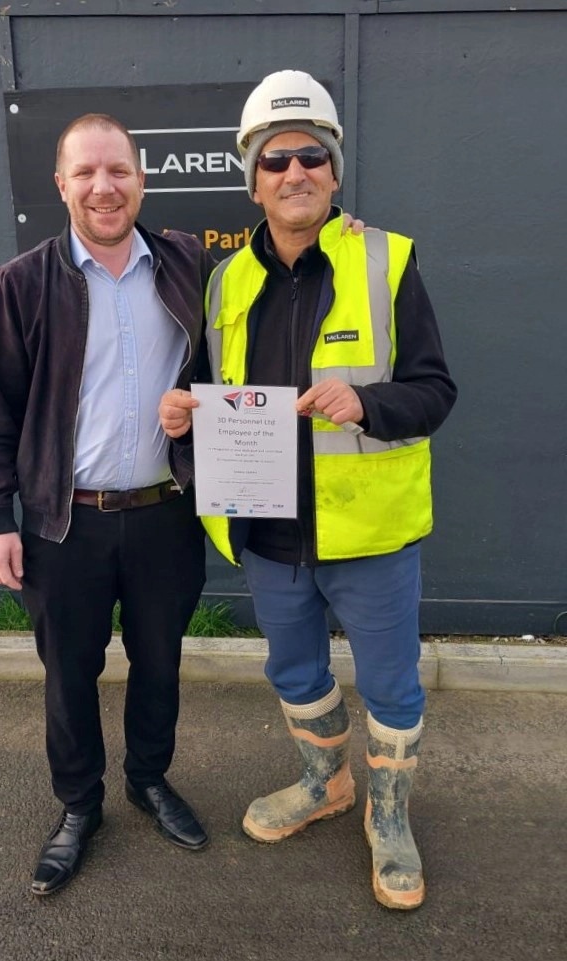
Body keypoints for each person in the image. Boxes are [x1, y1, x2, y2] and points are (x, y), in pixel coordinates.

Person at [159, 70, 457, 911]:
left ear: (333, 170)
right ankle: (324, 783)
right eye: (276, 159)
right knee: (293, 669)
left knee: (391, 685)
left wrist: (366, 401)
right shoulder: (225, 282)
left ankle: (391, 816)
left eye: (311, 156)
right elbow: (209, 384)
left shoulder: (387, 258)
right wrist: (183, 408)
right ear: (252, 177)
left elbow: (434, 391)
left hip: (370, 536)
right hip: (271, 534)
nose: (295, 171)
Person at [0, 113, 215, 896]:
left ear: (142, 178)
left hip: (163, 515)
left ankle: (148, 778)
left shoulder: (186, 265)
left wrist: (343, 232)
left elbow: (270, 286)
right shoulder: (23, 282)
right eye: (87, 173)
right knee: (69, 674)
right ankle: (80, 805)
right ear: (62, 185)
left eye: (120, 171)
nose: (105, 187)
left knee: (160, 662)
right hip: (61, 523)